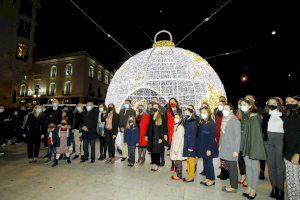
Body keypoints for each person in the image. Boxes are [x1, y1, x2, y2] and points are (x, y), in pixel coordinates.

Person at [240, 98, 267, 199]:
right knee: (248, 167)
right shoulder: (244, 116)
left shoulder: (253, 117)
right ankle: (250, 186)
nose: (242, 106)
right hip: (246, 145)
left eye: (244, 104)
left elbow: (256, 135)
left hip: (253, 145)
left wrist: (255, 149)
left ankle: (253, 189)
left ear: (250, 105)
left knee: (254, 167)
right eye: (241, 104)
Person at [261, 97, 285, 199]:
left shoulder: (284, 115)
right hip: (268, 141)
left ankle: (280, 188)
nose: (272, 104)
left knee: (279, 165)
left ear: (278, 104)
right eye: (270, 103)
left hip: (280, 140)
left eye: (274, 103)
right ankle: (274, 186)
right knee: (271, 165)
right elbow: (262, 129)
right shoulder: (264, 115)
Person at [219, 103, 241, 193]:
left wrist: (236, 150)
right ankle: (232, 183)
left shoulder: (234, 120)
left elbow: (238, 136)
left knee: (232, 168)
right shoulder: (225, 119)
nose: (224, 110)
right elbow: (222, 134)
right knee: (229, 167)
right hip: (225, 146)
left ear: (231, 110)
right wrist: (220, 144)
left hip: (232, 148)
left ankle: (234, 187)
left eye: (226, 108)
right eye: (224, 108)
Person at [283, 96, 300, 200]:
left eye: (292, 101)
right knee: (291, 179)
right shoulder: (289, 115)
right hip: (288, 151)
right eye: (287, 102)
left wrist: (298, 153)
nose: (289, 103)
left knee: (297, 180)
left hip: (296, 153)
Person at [198, 107, 218, 187]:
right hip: (203, 146)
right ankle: (207, 177)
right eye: (202, 112)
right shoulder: (202, 122)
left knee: (209, 163)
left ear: (209, 113)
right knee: (205, 163)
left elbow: (212, 137)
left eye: (205, 112)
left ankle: (212, 179)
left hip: (209, 147)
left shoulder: (211, 123)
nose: (203, 113)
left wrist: (209, 149)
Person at [146, 103, 166, 171]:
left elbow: (163, 128)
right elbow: (149, 126)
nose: (154, 108)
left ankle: (157, 164)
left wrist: (161, 138)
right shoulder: (151, 115)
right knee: (152, 151)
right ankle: (153, 163)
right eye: (153, 107)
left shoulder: (162, 116)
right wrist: (146, 135)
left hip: (158, 136)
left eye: (155, 107)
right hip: (151, 135)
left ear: (158, 108)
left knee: (157, 151)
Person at [183, 107, 198, 182]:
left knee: (191, 161)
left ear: (191, 113)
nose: (185, 113)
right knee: (188, 160)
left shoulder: (193, 121)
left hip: (190, 144)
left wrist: (191, 146)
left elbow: (193, 134)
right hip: (187, 143)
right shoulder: (187, 120)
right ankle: (189, 174)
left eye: (187, 111)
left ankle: (191, 176)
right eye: (185, 111)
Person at [166, 98, 182, 169]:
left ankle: (177, 164)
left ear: (176, 102)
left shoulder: (179, 110)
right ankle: (173, 164)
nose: (172, 103)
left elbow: (181, 119)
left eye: (173, 102)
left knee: (177, 147)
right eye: (170, 102)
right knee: (172, 147)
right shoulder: (168, 111)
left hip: (178, 129)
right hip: (171, 130)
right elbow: (166, 122)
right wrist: (166, 133)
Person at [170, 114, 185, 181]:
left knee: (178, 161)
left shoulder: (181, 127)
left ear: (181, 119)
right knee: (176, 161)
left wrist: (175, 149)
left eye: (177, 117)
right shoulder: (176, 126)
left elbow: (179, 139)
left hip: (178, 148)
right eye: (175, 117)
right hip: (175, 146)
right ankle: (176, 173)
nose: (175, 118)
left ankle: (179, 176)